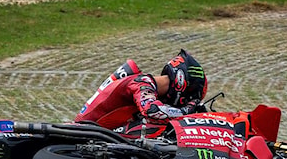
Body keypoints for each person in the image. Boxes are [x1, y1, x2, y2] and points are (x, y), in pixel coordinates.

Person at [74, 49, 208, 130]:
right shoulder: (142, 83)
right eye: (189, 98)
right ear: (181, 84)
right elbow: (152, 110)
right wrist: (187, 110)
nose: (185, 103)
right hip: (86, 133)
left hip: (98, 132)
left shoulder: (145, 84)